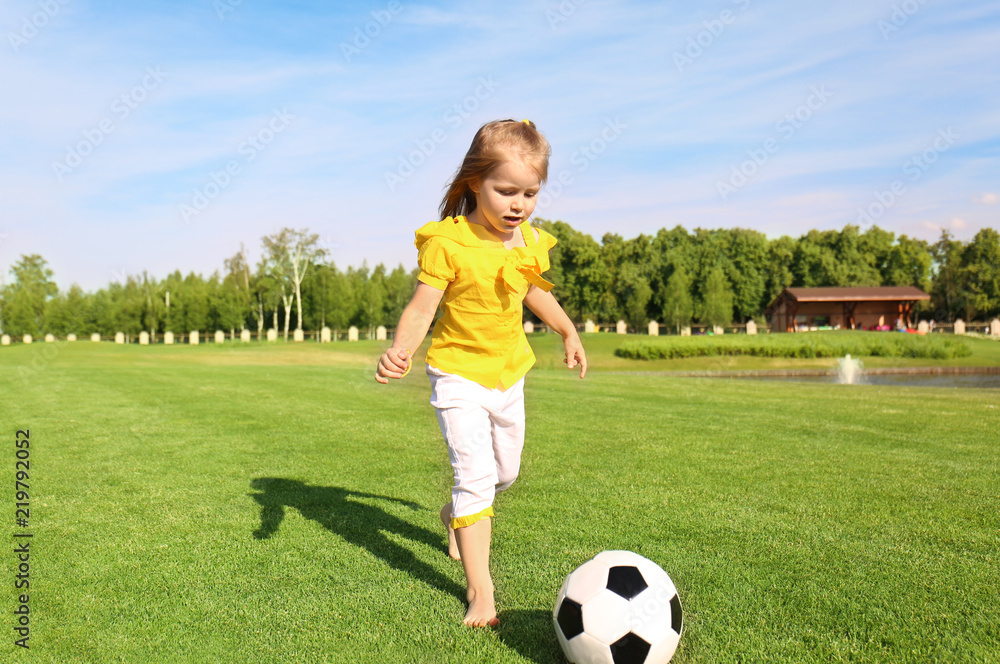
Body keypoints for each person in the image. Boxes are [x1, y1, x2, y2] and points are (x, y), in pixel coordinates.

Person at [375, 119, 587, 628]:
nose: (519, 204)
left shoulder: (527, 240)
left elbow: (535, 291)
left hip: (507, 375)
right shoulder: (448, 243)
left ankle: (453, 515)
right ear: (474, 182)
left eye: (531, 193)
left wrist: (567, 330)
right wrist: (399, 351)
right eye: (506, 190)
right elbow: (423, 309)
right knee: (475, 480)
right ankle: (481, 591)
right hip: (457, 374)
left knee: (504, 475)